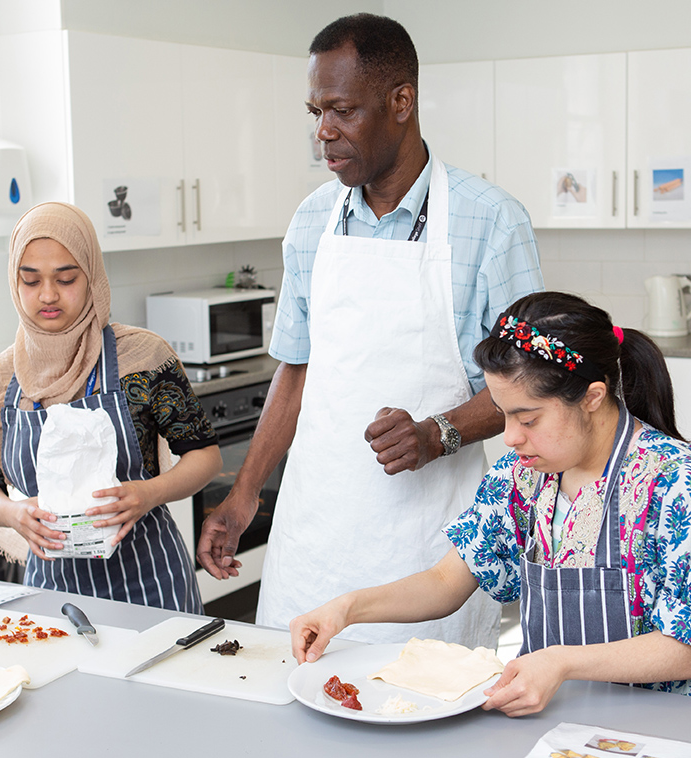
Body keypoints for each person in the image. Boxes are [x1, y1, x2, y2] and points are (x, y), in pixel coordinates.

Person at [196, 13, 543, 647]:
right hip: (314, 540)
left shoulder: (491, 223)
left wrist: (438, 433)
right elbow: (296, 369)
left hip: (427, 551)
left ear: (401, 102)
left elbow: (530, 390)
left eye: (342, 110)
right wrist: (244, 494)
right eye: (315, 112)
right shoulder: (311, 222)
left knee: (422, 727)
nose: (323, 132)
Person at [290, 292, 691, 715]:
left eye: (528, 418)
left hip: (664, 731)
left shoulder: (685, 485)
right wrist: (346, 609)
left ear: (593, 397)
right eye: (503, 414)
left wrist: (561, 663)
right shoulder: (522, 477)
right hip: (549, 723)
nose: (511, 437)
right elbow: (444, 581)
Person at [0, 201, 220, 611]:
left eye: (65, 279)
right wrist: (11, 513)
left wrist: (147, 494)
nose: (48, 295)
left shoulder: (142, 357)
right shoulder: (2, 378)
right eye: (30, 281)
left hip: (151, 583)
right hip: (53, 595)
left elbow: (204, 455)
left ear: (92, 275)